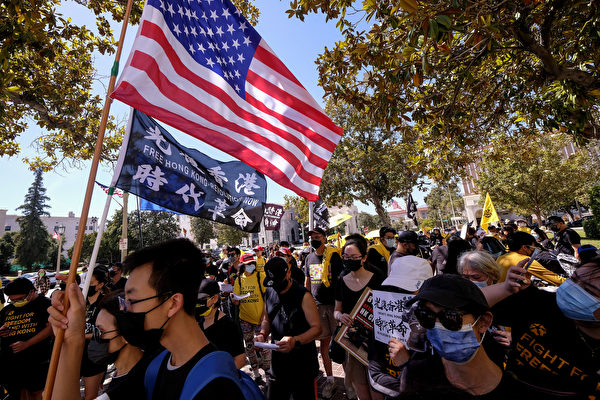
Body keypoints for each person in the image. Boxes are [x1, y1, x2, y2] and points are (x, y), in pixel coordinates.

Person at [50, 239, 246, 399]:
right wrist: (70, 340)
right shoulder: (156, 364)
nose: (125, 312)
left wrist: (73, 343)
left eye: (132, 301)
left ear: (173, 303)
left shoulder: (216, 386)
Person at [390, 274, 534, 398]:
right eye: (426, 315)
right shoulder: (416, 376)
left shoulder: (517, 391)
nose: (437, 325)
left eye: (450, 317)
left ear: (483, 322)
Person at [481, 256, 600, 398]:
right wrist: (505, 288)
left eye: (588, 290)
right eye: (573, 279)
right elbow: (471, 305)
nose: (572, 289)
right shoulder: (540, 303)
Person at [367, 256, 432, 398]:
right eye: (394, 288)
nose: (399, 294)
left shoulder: (438, 327)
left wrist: (406, 364)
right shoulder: (383, 319)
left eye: (406, 290)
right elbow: (374, 374)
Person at [258, 257, 322, 399]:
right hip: (278, 365)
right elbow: (267, 319)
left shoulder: (303, 295)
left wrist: (295, 340)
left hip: (303, 364)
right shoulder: (269, 292)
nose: (276, 286)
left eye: (278, 281)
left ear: (288, 273)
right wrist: (262, 334)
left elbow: (317, 328)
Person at [334, 234, 384, 400]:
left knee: (377, 388)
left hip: (376, 344)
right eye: (346, 257)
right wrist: (341, 316)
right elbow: (336, 310)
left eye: (354, 257)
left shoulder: (377, 278)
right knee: (360, 389)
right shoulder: (342, 279)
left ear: (363, 257)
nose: (349, 260)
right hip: (353, 345)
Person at [303, 227, 343, 399]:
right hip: (318, 307)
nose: (314, 240)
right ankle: (330, 379)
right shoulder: (309, 258)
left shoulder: (334, 256)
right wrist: (307, 303)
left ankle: (350, 383)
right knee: (324, 345)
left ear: (324, 238)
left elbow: (341, 280)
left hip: (334, 306)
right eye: (312, 237)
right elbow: (308, 282)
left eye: (317, 237)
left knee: (341, 343)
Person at [0, 278, 52, 400]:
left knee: (37, 392)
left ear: (31, 292)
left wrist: (27, 343)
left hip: (37, 360)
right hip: (12, 362)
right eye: (12, 300)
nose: (16, 302)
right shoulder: (7, 310)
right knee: (18, 393)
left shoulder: (45, 304)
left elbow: (50, 328)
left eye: (19, 299)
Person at [233, 252, 270, 385]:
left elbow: (267, 298)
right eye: (248, 264)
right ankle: (256, 373)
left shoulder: (260, 276)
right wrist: (234, 298)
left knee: (264, 348)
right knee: (249, 347)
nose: (251, 266)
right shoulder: (239, 280)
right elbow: (236, 301)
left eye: (252, 264)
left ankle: (268, 374)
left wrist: (264, 316)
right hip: (245, 319)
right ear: (243, 265)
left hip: (260, 320)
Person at [196, 278, 245, 368]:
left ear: (214, 298)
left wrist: (219, 373)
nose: (197, 303)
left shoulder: (228, 325)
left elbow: (240, 360)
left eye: (202, 299)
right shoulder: (197, 320)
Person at [81, 268, 111, 400]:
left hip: (95, 356)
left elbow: (107, 333)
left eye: (91, 283)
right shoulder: (81, 302)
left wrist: (81, 336)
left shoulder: (105, 303)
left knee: (90, 396)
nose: (87, 286)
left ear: (100, 285)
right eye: (85, 282)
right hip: (77, 354)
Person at [496, 231, 566, 286]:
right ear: (524, 247)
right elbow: (556, 280)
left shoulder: (500, 258)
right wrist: (571, 283)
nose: (534, 249)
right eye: (533, 247)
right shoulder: (525, 261)